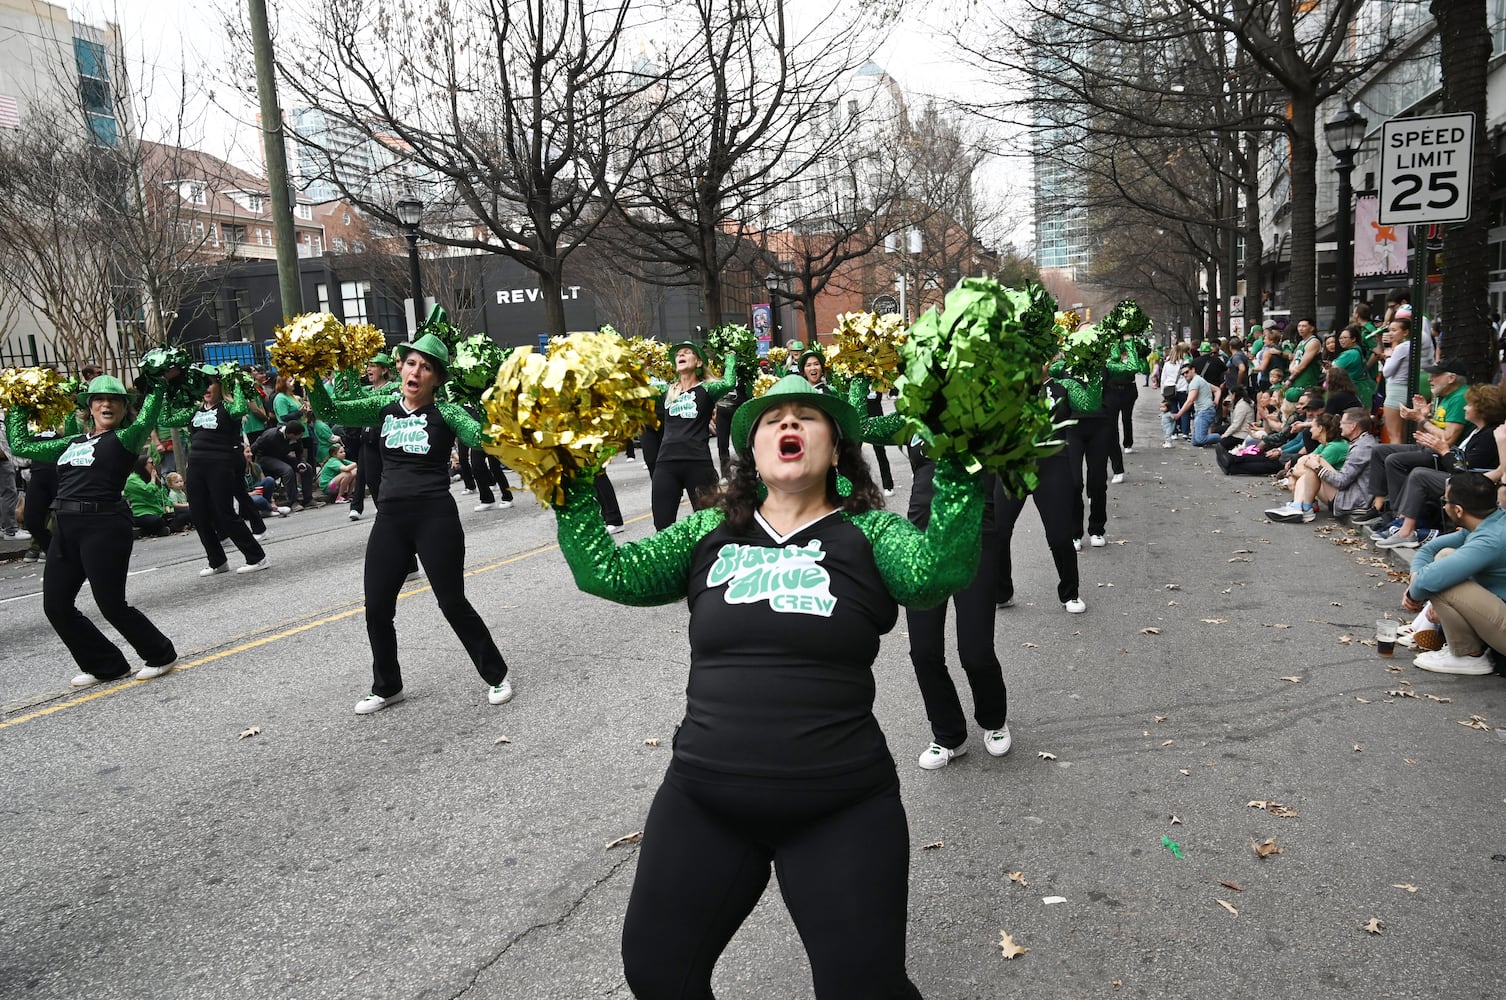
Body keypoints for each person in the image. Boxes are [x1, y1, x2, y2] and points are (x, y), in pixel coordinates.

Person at [550, 374, 981, 998]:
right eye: (772, 419)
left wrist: (965, 462)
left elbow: (936, 573)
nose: (788, 425)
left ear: (836, 451)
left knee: (864, 988)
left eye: (807, 417)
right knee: (658, 973)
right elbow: (607, 571)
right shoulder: (707, 534)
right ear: (750, 451)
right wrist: (564, 474)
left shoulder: (871, 534)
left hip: (839, 805)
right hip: (705, 801)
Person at [310, 332, 514, 715]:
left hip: (434, 515)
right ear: (400, 368)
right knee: (376, 608)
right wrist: (309, 372)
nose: (416, 371)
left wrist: (489, 401)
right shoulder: (385, 407)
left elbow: (483, 438)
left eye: (426, 366)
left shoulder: (446, 412)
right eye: (410, 363)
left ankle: (496, 674)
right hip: (390, 519)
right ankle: (387, 686)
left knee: (452, 602)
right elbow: (333, 411)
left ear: (436, 378)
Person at [7, 376, 178, 687]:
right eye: (98, 399)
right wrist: (18, 401)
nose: (106, 404)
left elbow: (149, 414)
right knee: (56, 605)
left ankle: (161, 654)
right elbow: (20, 444)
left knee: (111, 604)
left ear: (125, 408)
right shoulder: (71, 442)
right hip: (66, 528)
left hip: (105, 527)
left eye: (114, 400)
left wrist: (159, 380)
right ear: (89, 407)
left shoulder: (127, 437)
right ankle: (107, 665)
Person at [907, 449, 1010, 770]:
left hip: (975, 537)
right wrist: (850, 394)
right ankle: (949, 735)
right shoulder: (912, 417)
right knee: (923, 651)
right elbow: (862, 426)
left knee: (975, 652)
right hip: (924, 539)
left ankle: (994, 719)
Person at [162, 368, 271, 575]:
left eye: (210, 383)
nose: (205, 388)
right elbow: (166, 420)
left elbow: (240, 409)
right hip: (195, 466)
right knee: (199, 515)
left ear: (220, 386)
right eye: (202, 384)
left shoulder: (229, 407)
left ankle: (257, 557)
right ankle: (217, 561)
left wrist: (236, 380)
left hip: (221, 464)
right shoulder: (194, 410)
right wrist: (165, 390)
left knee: (225, 513)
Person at [1372, 384, 1506, 548]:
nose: (1465, 407)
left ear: (1482, 410)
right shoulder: (1479, 431)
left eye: (1469, 404)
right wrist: (1440, 448)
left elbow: (1463, 472)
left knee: (1419, 475)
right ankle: (1400, 520)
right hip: (1467, 478)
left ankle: (1406, 532)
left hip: (1475, 485)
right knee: (1408, 466)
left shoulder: (1488, 436)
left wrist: (1444, 451)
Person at [1402, 472, 1506, 675]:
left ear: (1458, 510)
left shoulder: (1490, 539)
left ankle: (1468, 655)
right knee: (1444, 557)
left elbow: (1430, 579)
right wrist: (1415, 576)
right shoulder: (1491, 521)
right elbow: (1429, 549)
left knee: (1440, 580)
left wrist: (1412, 595)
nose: (1443, 506)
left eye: (1445, 500)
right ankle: (1444, 636)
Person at [997, 370, 1082, 613]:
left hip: (1052, 462)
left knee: (1059, 535)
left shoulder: (1063, 386)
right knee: (999, 530)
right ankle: (1002, 592)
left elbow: (1090, 403)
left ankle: (1070, 592)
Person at [1358, 359, 1471, 526]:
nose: (1430, 379)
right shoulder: (1442, 395)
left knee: (1394, 460)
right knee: (1379, 450)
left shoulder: (1460, 397)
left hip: (1445, 454)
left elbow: (1447, 439)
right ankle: (1378, 505)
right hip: (1428, 446)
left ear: (1451, 378)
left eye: (1435, 375)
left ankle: (1399, 516)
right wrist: (1422, 416)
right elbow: (1426, 431)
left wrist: (1421, 418)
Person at [650, 341, 736, 530]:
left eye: (687, 352)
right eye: (678, 353)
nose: (681, 355)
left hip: (697, 462)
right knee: (662, 525)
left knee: (709, 524)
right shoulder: (667, 392)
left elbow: (730, 382)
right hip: (666, 463)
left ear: (698, 363)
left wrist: (730, 357)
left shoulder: (706, 389)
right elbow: (640, 388)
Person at [347, 352, 400, 522]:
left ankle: (400, 508)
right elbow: (345, 396)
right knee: (371, 478)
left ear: (384, 370)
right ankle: (384, 513)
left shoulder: (394, 388)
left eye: (373, 366)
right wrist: (347, 367)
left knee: (392, 476)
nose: (368, 369)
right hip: (368, 440)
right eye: (367, 366)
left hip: (388, 438)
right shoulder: (366, 391)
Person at [251, 419, 316, 511]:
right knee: (287, 470)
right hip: (265, 457)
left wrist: (301, 463)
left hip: (281, 456)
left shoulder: (295, 438)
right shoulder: (270, 435)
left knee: (307, 468)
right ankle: (293, 501)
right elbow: (254, 447)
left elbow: (299, 452)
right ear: (292, 434)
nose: (300, 437)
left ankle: (308, 499)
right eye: (299, 435)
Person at [1173, 361, 1220, 446]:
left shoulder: (1195, 382)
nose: (1185, 375)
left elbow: (1190, 401)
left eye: (1186, 372)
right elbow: (1217, 389)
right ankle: (1214, 438)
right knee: (1195, 441)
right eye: (1183, 374)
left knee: (1200, 439)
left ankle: (1223, 437)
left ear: (1193, 370)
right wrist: (1216, 401)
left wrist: (1178, 415)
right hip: (1204, 411)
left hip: (1204, 411)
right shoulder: (1200, 380)